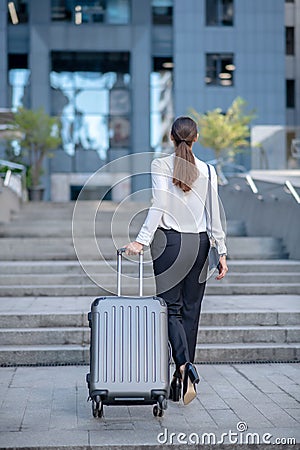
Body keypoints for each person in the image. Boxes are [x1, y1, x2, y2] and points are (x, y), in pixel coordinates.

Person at [124, 116, 228, 405]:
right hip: (200, 243)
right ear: (196, 138)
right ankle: (183, 379)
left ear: (172, 138)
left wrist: (141, 240)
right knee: (191, 311)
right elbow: (213, 212)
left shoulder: (160, 164)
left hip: (170, 243)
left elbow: (159, 204)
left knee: (171, 308)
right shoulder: (208, 169)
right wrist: (221, 251)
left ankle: (182, 365)